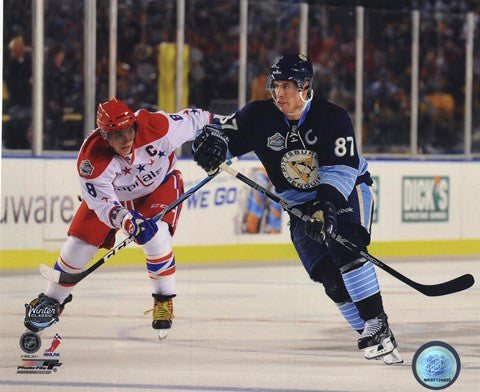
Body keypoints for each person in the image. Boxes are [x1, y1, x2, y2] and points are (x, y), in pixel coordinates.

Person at [192, 54, 403, 364]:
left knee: (345, 247)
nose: (279, 94)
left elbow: (341, 171)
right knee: (327, 277)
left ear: (306, 87)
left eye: (288, 86)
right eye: (275, 86)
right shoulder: (258, 116)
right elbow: (224, 136)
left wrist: (326, 207)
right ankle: (373, 335)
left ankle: (376, 322)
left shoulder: (333, 118)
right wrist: (210, 147)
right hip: (300, 204)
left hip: (344, 192)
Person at [24, 98, 216, 340]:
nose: (126, 140)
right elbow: (104, 205)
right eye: (117, 135)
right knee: (77, 246)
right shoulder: (91, 160)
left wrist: (228, 134)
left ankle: (163, 299)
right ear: (104, 135)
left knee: (157, 237)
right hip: (114, 197)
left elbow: (198, 118)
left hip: (158, 186)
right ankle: (53, 300)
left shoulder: (156, 127)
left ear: (134, 124)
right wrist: (127, 220)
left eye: (129, 131)